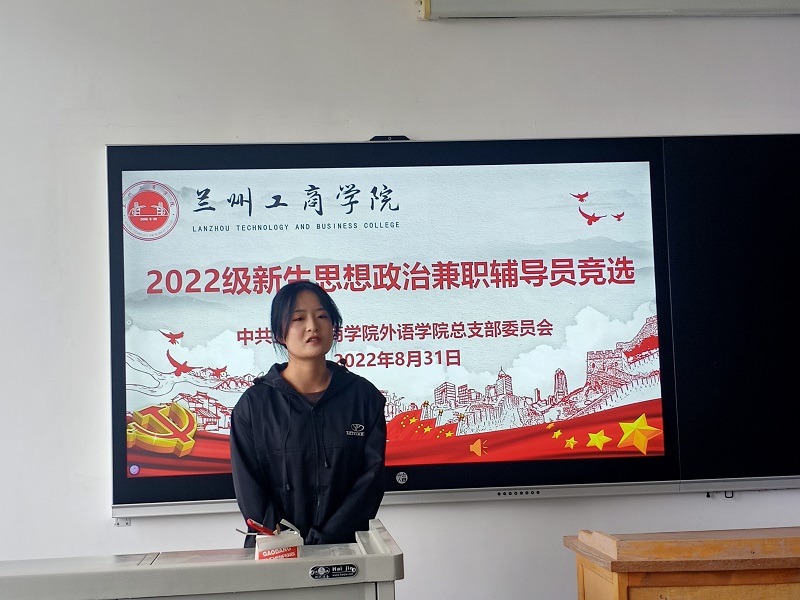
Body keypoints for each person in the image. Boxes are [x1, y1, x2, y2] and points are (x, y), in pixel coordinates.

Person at [230, 280, 387, 548]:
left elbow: (369, 484)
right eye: (298, 318)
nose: (313, 326)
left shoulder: (363, 397)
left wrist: (329, 539)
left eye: (322, 316)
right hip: (274, 553)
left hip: (345, 550)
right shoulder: (253, 405)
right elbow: (250, 488)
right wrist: (286, 540)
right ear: (280, 334)